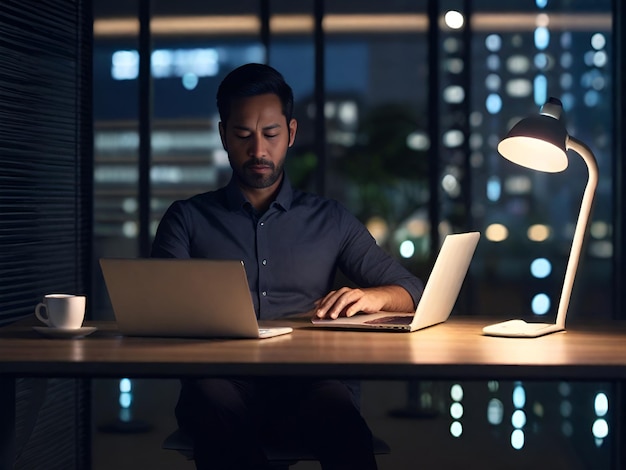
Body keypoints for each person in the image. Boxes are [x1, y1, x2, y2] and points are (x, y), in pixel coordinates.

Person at [151, 63, 424, 470]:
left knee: (336, 413)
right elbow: (156, 310)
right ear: (224, 134)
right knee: (214, 401)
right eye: (243, 135)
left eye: (271, 134)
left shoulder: (329, 218)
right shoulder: (187, 219)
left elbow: (413, 291)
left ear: (291, 134)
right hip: (220, 384)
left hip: (311, 383)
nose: (258, 150)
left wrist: (372, 295)